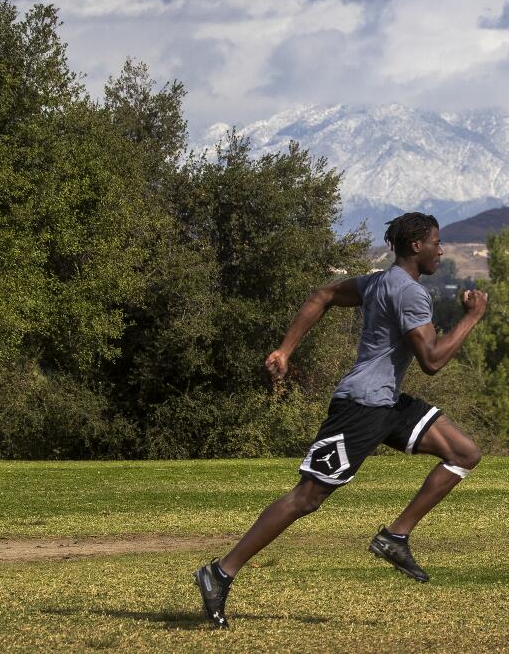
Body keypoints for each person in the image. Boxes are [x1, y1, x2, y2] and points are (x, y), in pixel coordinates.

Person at [194, 212, 488, 629]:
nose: (441, 250)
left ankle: (395, 537)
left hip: (385, 403)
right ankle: (220, 572)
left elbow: (323, 295)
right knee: (306, 498)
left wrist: (285, 350)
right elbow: (433, 361)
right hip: (361, 409)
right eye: (436, 242)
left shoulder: (379, 282)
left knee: (464, 452)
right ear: (415, 247)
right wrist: (472, 317)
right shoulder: (409, 294)